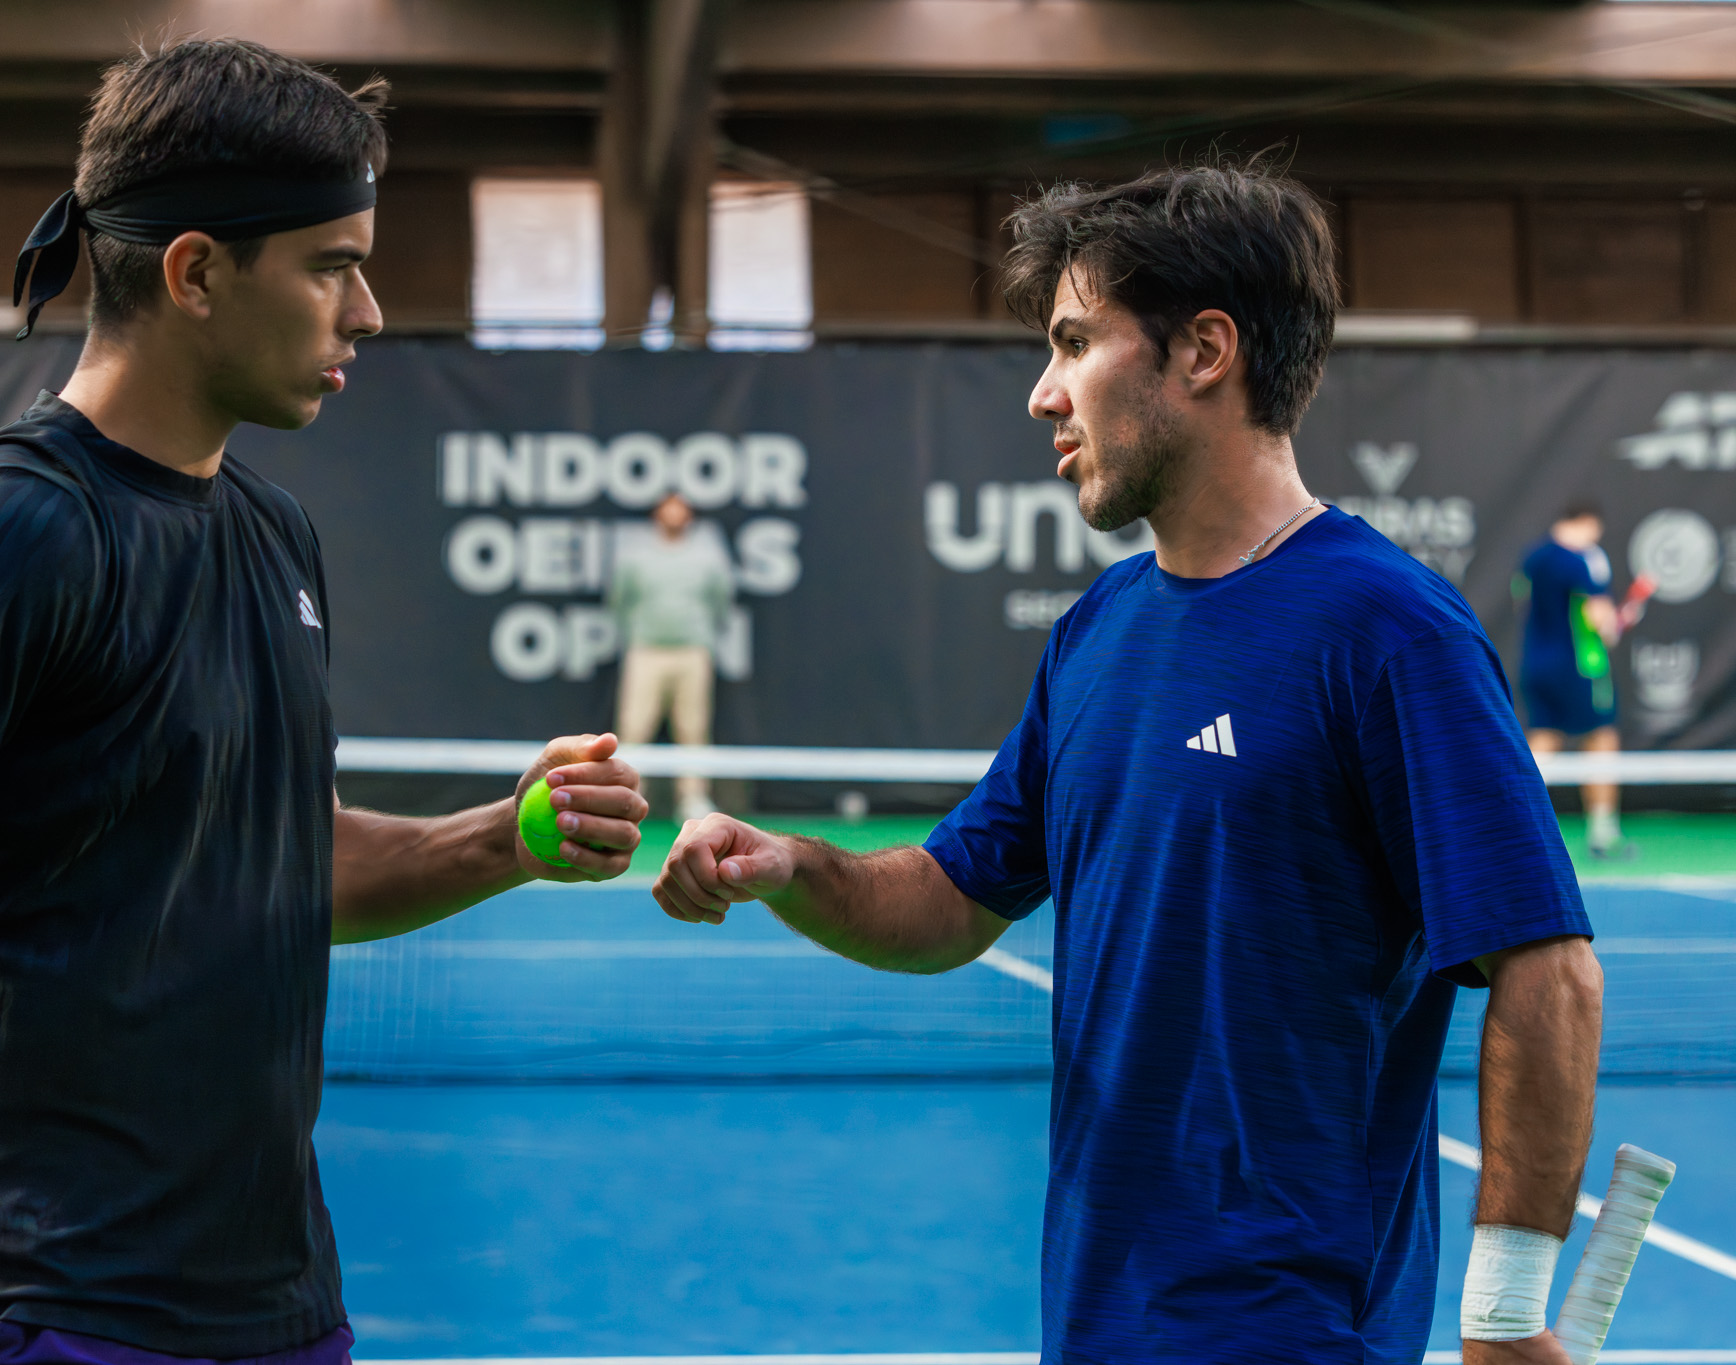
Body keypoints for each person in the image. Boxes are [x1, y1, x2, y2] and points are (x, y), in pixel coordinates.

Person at [0, 40, 647, 1365]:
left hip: (278, 1310)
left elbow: (290, 856)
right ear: (197, 271)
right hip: (46, 1316)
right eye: (333, 264)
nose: (371, 310)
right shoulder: (7, 532)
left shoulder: (275, 537)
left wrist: (507, 834)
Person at [655, 162, 1601, 1365]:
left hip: (1292, 1331)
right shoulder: (1095, 632)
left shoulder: (1389, 631)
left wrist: (1506, 1315)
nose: (1044, 393)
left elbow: (1548, 972)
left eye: (1072, 342)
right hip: (1098, 1319)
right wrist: (787, 863)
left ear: (1201, 351)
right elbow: (946, 902)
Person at [1516, 503, 1640, 860]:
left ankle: (1508, 827)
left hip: (1535, 664)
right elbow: (1602, 623)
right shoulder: (1583, 560)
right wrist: (1619, 621)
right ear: (1588, 523)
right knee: (1601, 740)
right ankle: (1603, 834)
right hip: (1580, 668)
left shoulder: (1533, 558)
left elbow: (1521, 604)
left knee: (1542, 740)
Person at [607, 491, 735, 821]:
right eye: (668, 509)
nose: (675, 515)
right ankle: (627, 797)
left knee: (692, 728)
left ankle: (692, 799)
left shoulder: (708, 555)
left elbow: (721, 599)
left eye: (681, 510)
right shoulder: (636, 556)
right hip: (646, 651)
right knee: (634, 727)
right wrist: (638, 634)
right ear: (657, 515)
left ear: (689, 516)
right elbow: (619, 599)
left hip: (692, 652)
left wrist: (701, 634)